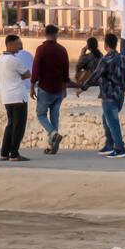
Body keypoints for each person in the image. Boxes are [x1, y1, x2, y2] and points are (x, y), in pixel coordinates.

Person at [77, 33, 125, 158]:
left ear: (105, 45)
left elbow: (95, 76)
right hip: (119, 95)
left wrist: (82, 88)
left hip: (109, 95)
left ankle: (119, 148)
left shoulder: (106, 60)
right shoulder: (122, 58)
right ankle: (109, 143)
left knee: (112, 120)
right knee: (105, 118)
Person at [31, 24, 71, 154]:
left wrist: (32, 86)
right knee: (54, 116)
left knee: (41, 114)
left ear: (45, 33)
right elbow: (66, 71)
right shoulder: (62, 50)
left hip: (45, 88)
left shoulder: (41, 49)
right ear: (56, 34)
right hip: (59, 89)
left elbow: (36, 69)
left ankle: (53, 133)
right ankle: (53, 146)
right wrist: (64, 87)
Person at [0, 34, 32, 161]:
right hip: (18, 97)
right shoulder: (14, 60)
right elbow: (28, 74)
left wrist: (15, 77)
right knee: (18, 126)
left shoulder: (0, 58)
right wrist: (18, 78)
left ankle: (4, 153)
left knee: (10, 124)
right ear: (10, 44)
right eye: (18, 44)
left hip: (7, 97)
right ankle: (14, 153)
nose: (20, 46)